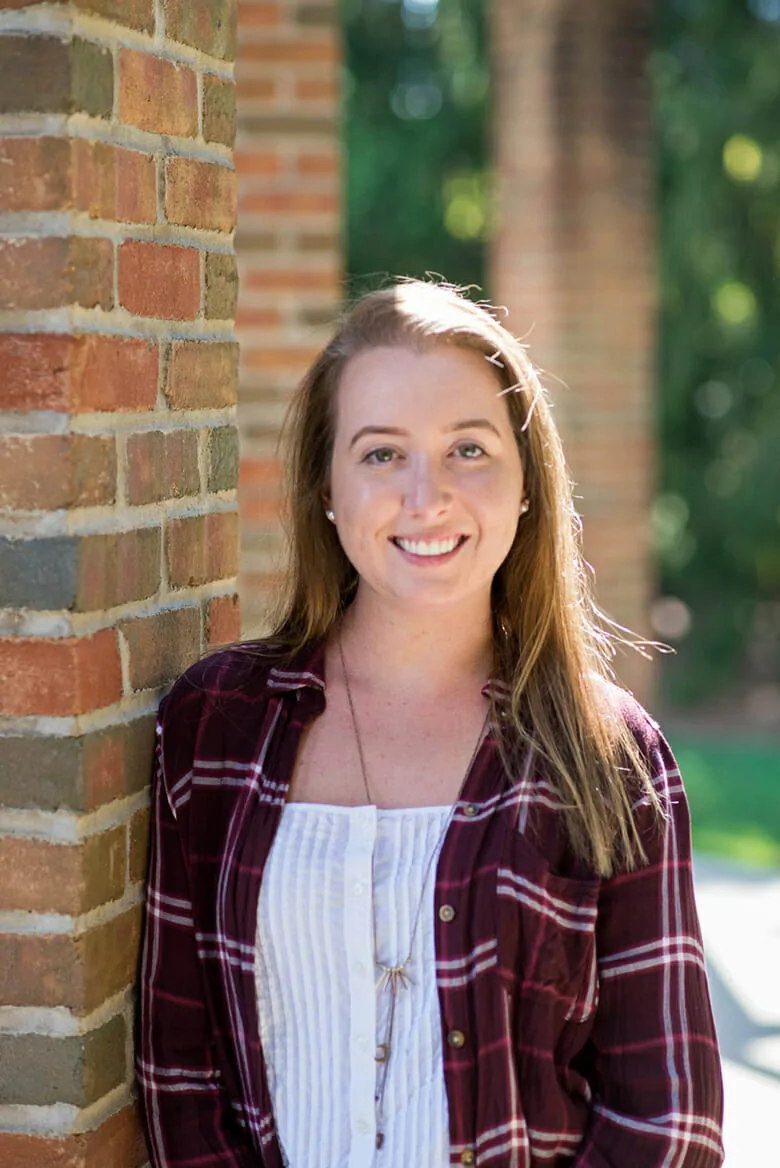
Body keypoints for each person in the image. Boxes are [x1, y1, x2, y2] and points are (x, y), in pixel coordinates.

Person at [137, 280, 724, 1168]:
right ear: (324, 488)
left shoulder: (610, 760)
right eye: (381, 455)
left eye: (469, 450)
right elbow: (179, 1073)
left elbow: (666, 1122)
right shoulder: (214, 726)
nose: (427, 496)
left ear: (527, 486)